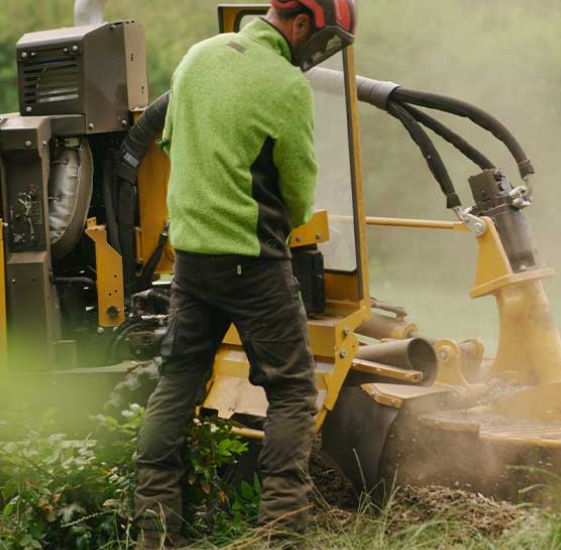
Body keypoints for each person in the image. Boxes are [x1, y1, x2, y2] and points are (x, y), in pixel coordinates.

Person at [134, 1, 357, 546]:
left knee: (177, 382)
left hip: (191, 261)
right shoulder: (285, 84)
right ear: (300, 24)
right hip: (252, 263)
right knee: (292, 391)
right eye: (319, 40)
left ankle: (154, 533)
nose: (314, 51)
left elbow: (169, 142)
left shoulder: (197, 57)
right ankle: (282, 534)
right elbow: (299, 190)